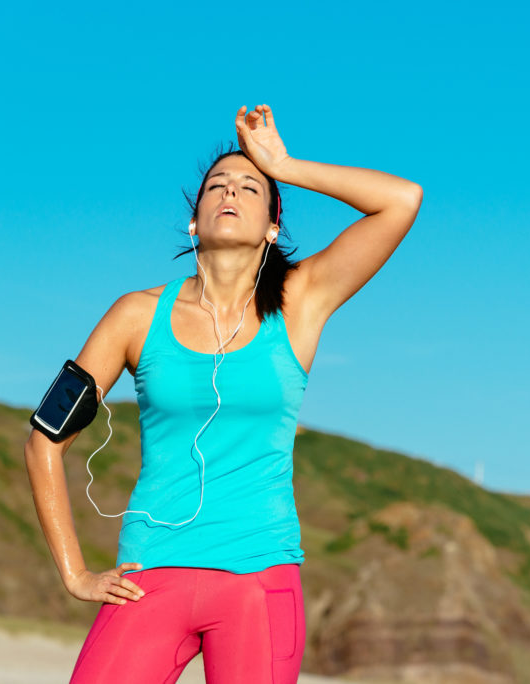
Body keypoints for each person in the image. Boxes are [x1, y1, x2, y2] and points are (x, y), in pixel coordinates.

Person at [23, 104, 423, 684]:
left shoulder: (301, 302)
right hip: (149, 576)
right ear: (194, 221)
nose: (230, 192)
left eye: (249, 186)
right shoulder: (136, 315)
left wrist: (282, 163)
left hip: (259, 582)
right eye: (216, 185)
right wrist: (75, 572)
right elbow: (44, 440)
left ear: (272, 225)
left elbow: (401, 200)